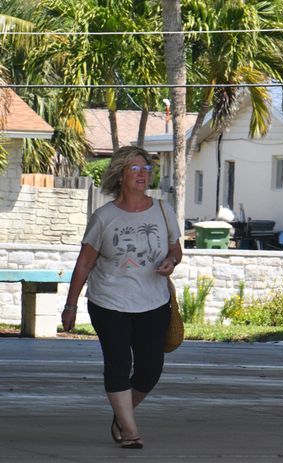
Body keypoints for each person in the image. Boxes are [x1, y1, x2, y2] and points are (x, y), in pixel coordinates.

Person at [61, 146, 182, 449]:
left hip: (153, 301)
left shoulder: (164, 209)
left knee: (150, 369)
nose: (143, 174)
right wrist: (71, 304)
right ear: (120, 175)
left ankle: (121, 415)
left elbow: (175, 248)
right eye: (135, 169)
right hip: (109, 302)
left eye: (146, 169)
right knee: (118, 362)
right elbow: (84, 263)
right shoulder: (104, 217)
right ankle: (129, 430)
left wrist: (172, 261)